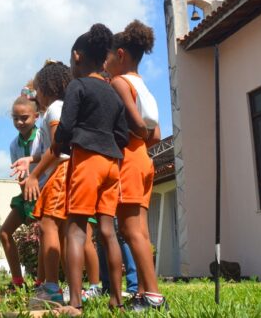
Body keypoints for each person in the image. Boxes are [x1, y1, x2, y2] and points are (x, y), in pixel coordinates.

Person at [54, 23, 129, 312]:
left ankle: (74, 303)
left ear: (77, 56)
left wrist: (60, 144)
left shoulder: (78, 85)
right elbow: (122, 134)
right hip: (112, 165)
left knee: (75, 229)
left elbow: (67, 125)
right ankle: (117, 301)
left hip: (87, 160)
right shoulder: (112, 92)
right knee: (108, 231)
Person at [104, 19, 166, 311]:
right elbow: (156, 134)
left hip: (128, 157)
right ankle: (142, 292)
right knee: (141, 230)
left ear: (119, 55)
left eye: (106, 57)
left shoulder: (119, 82)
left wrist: (132, 138)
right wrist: (140, 139)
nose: (104, 64)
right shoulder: (145, 87)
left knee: (130, 231)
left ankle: (153, 296)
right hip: (144, 158)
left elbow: (137, 124)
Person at [15, 61, 71, 309]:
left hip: (62, 172)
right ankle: (65, 285)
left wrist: (35, 174)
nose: (34, 94)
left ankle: (51, 288)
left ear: (47, 89)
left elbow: (59, 146)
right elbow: (52, 148)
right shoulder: (58, 108)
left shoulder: (55, 109)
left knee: (48, 224)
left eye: (37, 89)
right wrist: (32, 158)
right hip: (63, 170)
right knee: (63, 230)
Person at [0, 96, 44, 291]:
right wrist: (26, 202)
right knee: (4, 232)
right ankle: (17, 281)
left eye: (24, 118)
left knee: (46, 235)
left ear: (36, 116)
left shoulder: (43, 136)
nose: (19, 122)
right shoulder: (13, 145)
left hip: (46, 192)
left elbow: (52, 155)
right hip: (26, 196)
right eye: (15, 118)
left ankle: (42, 282)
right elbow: (19, 175)